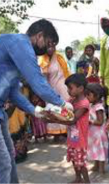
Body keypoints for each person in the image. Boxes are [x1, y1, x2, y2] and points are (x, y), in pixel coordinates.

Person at [0, 19, 66, 184]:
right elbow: (38, 82)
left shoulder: (16, 51)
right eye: (49, 43)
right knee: (4, 164)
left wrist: (34, 110)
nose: (47, 48)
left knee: (10, 157)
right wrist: (63, 104)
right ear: (39, 36)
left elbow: (13, 92)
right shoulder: (19, 44)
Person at [47, 74, 90, 184]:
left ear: (80, 88)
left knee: (81, 163)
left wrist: (55, 120)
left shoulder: (84, 104)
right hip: (72, 137)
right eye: (67, 88)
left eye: (70, 88)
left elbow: (72, 120)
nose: (68, 91)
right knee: (74, 161)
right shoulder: (72, 100)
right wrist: (51, 116)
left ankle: (87, 182)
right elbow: (64, 113)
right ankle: (78, 179)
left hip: (80, 140)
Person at [38, 43, 70, 141]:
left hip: (62, 87)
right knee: (53, 109)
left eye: (53, 47)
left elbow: (66, 73)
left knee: (64, 108)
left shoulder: (60, 58)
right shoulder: (42, 60)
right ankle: (56, 133)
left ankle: (66, 130)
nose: (51, 49)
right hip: (50, 88)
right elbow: (41, 77)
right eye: (48, 47)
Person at [86, 83, 108, 174]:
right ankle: (96, 165)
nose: (86, 97)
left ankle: (101, 169)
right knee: (95, 150)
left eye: (88, 95)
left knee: (100, 151)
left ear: (97, 95)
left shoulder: (99, 107)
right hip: (94, 133)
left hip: (99, 134)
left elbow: (100, 122)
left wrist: (90, 121)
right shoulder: (92, 105)